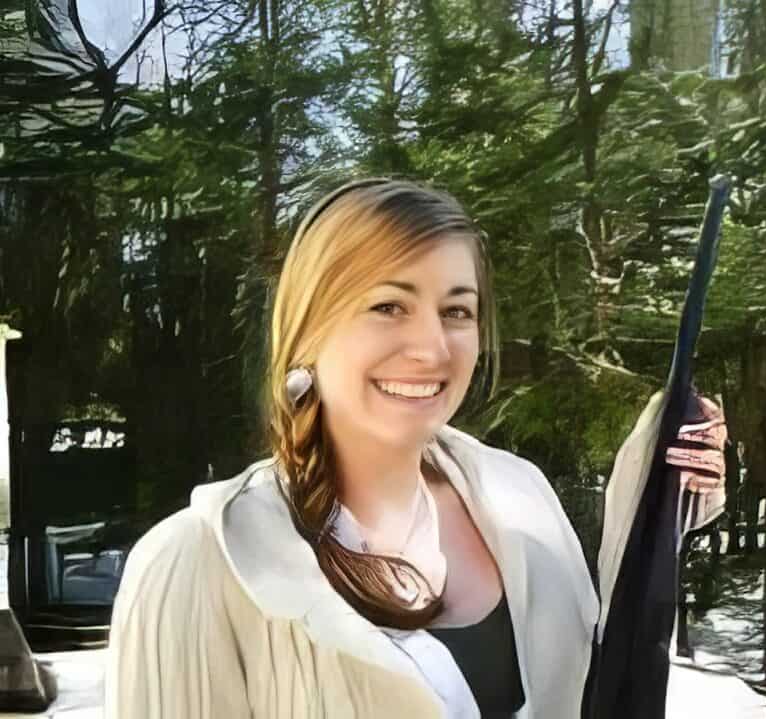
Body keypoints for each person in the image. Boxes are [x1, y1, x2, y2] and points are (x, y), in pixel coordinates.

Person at [103, 177, 728, 719]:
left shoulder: (521, 495)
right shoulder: (195, 565)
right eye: (388, 306)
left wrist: (666, 497)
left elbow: (598, 669)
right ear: (307, 331)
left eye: (457, 312)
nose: (432, 349)